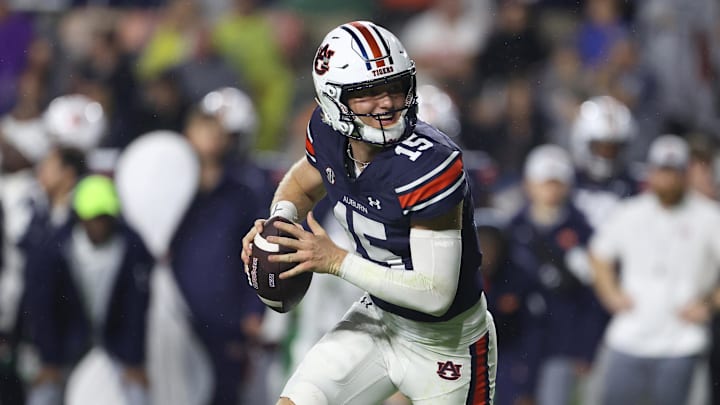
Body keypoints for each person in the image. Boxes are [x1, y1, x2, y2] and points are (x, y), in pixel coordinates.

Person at [241, 20, 497, 405]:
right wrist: (280, 222)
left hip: (447, 344)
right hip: (378, 318)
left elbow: (435, 293)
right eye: (369, 92)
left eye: (395, 87)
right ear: (333, 100)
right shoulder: (328, 132)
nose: (389, 102)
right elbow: (306, 178)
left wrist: (336, 261)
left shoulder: (430, 164)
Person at [589, 134, 720, 405]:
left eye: (674, 172)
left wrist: (708, 305)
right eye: (662, 171)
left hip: (683, 340)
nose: (668, 180)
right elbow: (599, 254)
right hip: (629, 335)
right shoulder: (630, 212)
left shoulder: (709, 216)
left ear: (686, 173)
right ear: (651, 172)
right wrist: (610, 293)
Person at [23, 175, 154, 405]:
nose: (99, 225)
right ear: (79, 217)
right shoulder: (54, 249)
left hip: (117, 348)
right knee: (43, 398)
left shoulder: (132, 248)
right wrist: (49, 359)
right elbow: (41, 307)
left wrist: (135, 361)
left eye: (104, 217)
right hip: (67, 347)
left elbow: (137, 308)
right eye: (93, 218)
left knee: (138, 397)